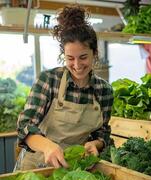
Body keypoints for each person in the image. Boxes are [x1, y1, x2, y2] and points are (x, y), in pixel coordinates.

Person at [15, 4, 114, 170]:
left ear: (94, 53)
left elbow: (102, 133)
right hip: (37, 166)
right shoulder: (49, 80)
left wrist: (95, 144)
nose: (77, 65)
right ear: (64, 55)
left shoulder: (104, 91)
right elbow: (25, 126)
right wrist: (48, 146)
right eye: (70, 58)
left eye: (83, 57)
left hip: (74, 170)